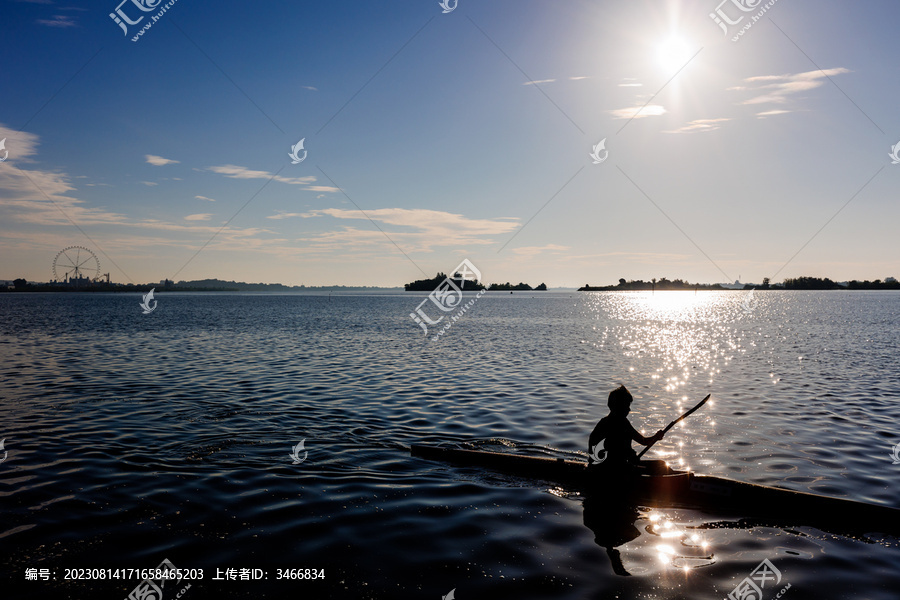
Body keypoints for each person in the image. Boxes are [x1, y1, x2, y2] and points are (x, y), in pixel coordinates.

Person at [588, 385, 668, 474]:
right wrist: (630, 457)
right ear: (618, 406)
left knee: (661, 464)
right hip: (611, 470)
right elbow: (612, 452)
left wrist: (656, 437)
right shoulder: (619, 423)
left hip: (612, 466)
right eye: (626, 406)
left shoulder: (616, 422)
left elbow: (644, 441)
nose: (629, 409)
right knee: (660, 468)